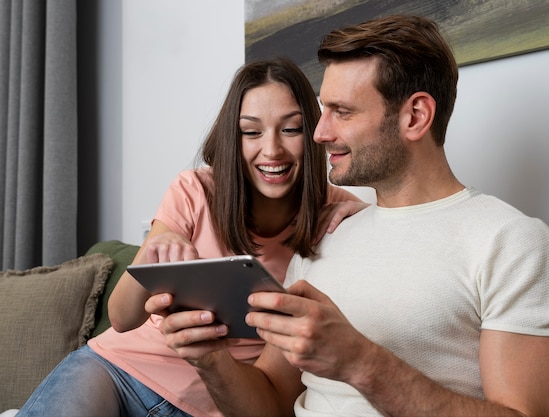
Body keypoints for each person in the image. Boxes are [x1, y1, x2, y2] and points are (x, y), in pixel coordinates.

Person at [147, 14, 549, 417]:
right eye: (323, 112)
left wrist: (361, 362)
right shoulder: (327, 235)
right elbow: (269, 404)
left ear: (415, 116)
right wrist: (210, 360)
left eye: (342, 112)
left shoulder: (511, 243)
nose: (320, 134)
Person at [16, 58, 365, 417]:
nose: (272, 150)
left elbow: (394, 229)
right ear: (233, 137)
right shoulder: (195, 190)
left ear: (312, 134)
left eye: (290, 130)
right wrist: (153, 250)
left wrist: (366, 219)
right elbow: (121, 318)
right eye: (251, 132)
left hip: (213, 401)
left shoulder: (336, 212)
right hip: (116, 369)